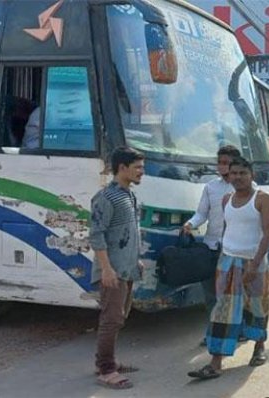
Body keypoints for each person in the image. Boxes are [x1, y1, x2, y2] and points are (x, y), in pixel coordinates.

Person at [188, 157, 269, 380]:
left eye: (242, 173)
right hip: (227, 261)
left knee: (257, 307)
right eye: (233, 173)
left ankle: (259, 347)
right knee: (222, 310)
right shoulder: (227, 199)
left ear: (252, 175)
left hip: (254, 263)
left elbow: (268, 234)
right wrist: (223, 259)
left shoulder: (264, 200)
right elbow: (228, 230)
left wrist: (255, 265)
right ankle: (215, 362)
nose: (237, 177)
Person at [89, 147, 146, 389]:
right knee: (111, 319)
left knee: (119, 317)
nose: (142, 172)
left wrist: (136, 259)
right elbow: (96, 235)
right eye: (138, 168)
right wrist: (106, 269)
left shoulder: (129, 195)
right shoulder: (106, 197)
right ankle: (106, 370)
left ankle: (107, 360)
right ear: (122, 168)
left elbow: (128, 233)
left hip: (127, 268)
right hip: (112, 271)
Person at [183, 145, 242, 346]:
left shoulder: (245, 188)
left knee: (231, 294)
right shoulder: (211, 187)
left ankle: (233, 331)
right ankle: (212, 332)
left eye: (226, 163)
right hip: (211, 248)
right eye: (219, 163)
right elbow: (202, 213)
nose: (221, 167)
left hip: (234, 250)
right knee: (210, 294)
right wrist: (191, 224)